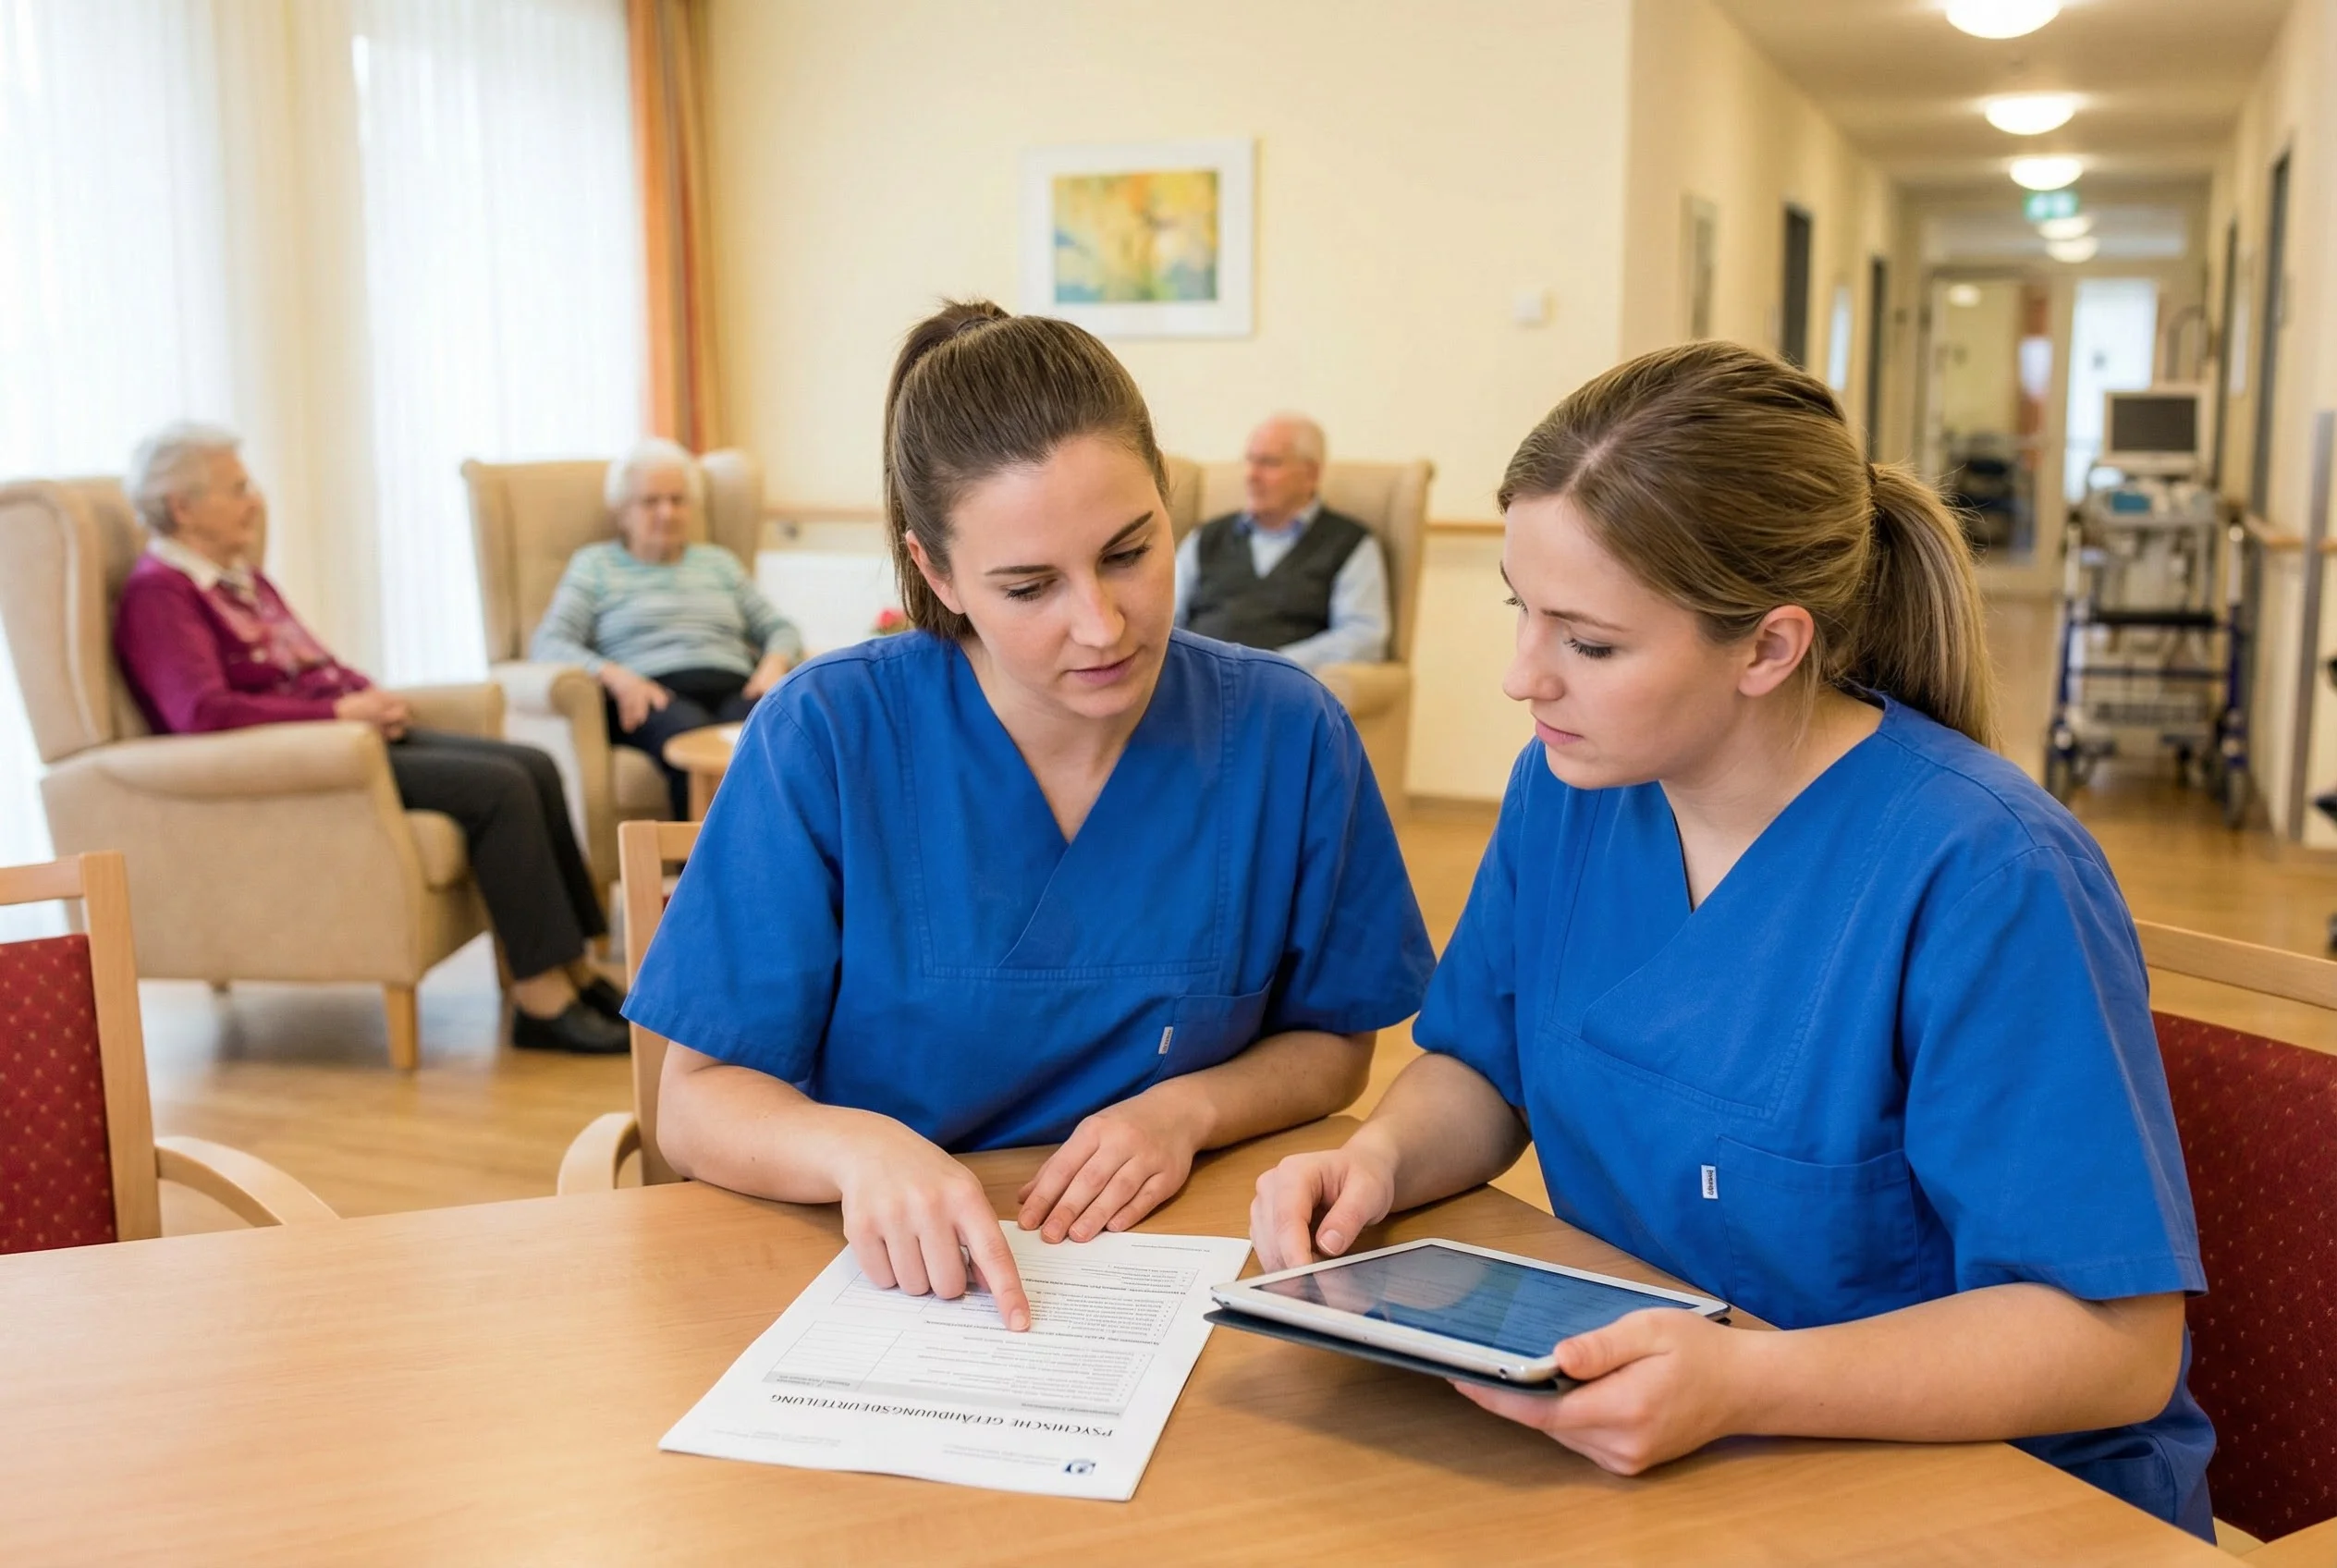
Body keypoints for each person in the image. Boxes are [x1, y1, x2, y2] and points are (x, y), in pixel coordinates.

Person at [1249, 342, 2215, 1538]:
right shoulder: (1569, 794)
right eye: (1522, 613)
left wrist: (1747, 1382)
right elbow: (1481, 1068)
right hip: (1666, 1455)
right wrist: (1384, 1157)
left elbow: (2112, 1345)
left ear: (1769, 647)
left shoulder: (1987, 874)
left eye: (1588, 645)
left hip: (1989, 1499)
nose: (1520, 678)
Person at [625, 302, 1434, 1329]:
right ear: (936, 573)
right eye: (1027, 586)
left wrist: (1186, 1109)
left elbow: (1333, 1044)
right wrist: (857, 1150)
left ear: (1169, 504)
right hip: (886, 1280)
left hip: (1180, 1266)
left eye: (1129, 552)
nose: (1099, 625)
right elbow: (694, 1100)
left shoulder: (1286, 733)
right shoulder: (827, 736)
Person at [113, 423, 630, 1055]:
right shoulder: (159, 594)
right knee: (500, 789)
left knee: (532, 765)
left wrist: (366, 695)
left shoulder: (240, 578)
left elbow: (315, 662)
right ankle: (540, 1001)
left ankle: (575, 969)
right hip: (307, 761)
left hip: (342, 738)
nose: (256, 500)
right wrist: (337, 716)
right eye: (238, 487)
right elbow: (202, 710)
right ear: (183, 507)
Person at [531, 437, 804, 818]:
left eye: (677, 500)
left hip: (734, 686)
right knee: (694, 742)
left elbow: (780, 628)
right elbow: (550, 642)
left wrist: (773, 664)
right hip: (653, 694)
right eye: (651, 501)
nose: (667, 512)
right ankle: (696, 874)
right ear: (621, 511)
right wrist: (618, 678)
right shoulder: (594, 566)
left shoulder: (718, 563)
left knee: (781, 736)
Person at [1172, 413, 1390, 669]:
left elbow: (1364, 637)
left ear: (1311, 473)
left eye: (1269, 463)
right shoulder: (1206, 537)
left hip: (1285, 689)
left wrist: (1271, 665)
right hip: (1197, 678)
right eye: (1249, 460)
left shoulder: (1350, 543)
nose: (1251, 474)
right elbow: (1165, 617)